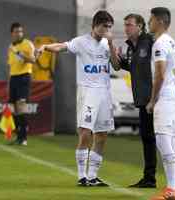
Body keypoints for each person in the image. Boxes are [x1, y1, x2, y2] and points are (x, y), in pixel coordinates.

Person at [37, 10, 115, 187]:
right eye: (104, 26)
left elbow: (117, 66)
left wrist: (111, 45)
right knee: (85, 132)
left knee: (102, 135)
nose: (107, 30)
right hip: (87, 91)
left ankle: (93, 175)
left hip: (104, 92)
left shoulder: (107, 44)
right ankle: (81, 176)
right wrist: (45, 47)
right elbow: (62, 47)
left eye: (109, 27)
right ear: (95, 25)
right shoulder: (81, 42)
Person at [111, 13, 157, 188]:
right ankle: (149, 178)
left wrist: (155, 97)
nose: (126, 28)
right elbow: (121, 66)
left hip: (156, 98)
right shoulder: (131, 47)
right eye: (125, 25)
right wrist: (113, 52)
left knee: (167, 138)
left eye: (129, 25)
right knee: (147, 138)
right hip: (142, 99)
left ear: (140, 26)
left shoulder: (151, 42)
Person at [146, 7, 175, 200]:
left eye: (151, 19)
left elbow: (160, 74)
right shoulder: (172, 42)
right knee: (172, 142)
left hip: (167, 96)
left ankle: (171, 189)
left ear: (160, 21)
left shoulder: (160, 43)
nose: (148, 22)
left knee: (163, 140)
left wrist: (153, 100)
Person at [7, 22, 35, 146]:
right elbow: (11, 65)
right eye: (17, 31)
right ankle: (19, 136)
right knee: (14, 108)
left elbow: (33, 60)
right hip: (13, 78)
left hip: (24, 77)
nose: (19, 34)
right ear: (12, 33)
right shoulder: (10, 47)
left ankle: (24, 137)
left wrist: (20, 55)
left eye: (21, 31)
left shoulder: (27, 44)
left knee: (21, 105)